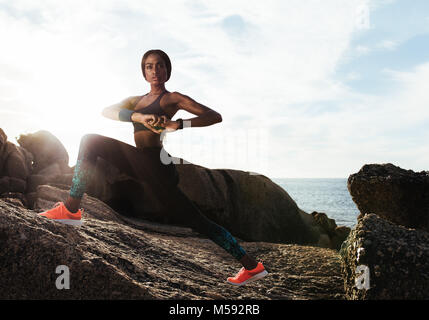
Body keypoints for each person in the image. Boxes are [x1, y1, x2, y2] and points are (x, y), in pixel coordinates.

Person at [39, 49, 268, 286]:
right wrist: (139, 117)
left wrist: (177, 124)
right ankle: (252, 266)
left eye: (160, 65)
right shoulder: (135, 102)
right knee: (90, 141)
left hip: (157, 164)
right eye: (149, 66)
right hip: (140, 161)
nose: (155, 70)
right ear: (143, 72)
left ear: (167, 70)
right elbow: (106, 111)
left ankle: (251, 266)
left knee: (199, 222)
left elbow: (213, 116)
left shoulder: (172, 98)